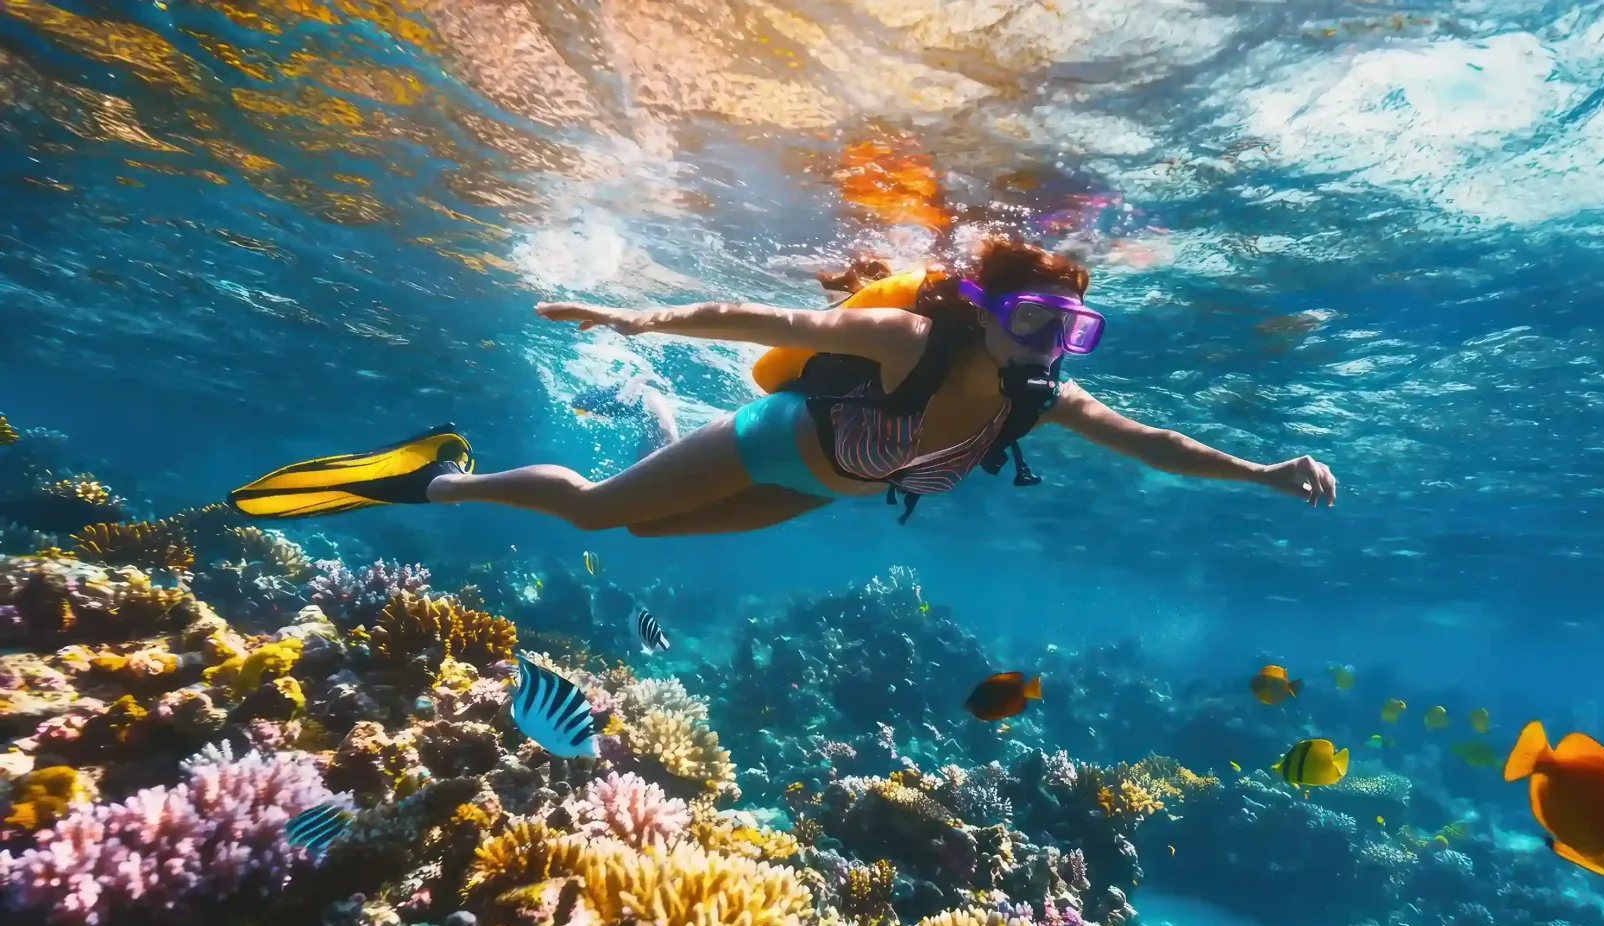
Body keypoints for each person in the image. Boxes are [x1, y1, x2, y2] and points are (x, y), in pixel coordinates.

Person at [228, 238, 1336, 534]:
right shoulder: (916, 341)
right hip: (775, 444)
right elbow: (786, 322)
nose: (1056, 343)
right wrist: (643, 314)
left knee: (656, 538)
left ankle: (651, 414)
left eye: (1075, 328)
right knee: (600, 511)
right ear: (990, 311)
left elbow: (1153, 442)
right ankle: (435, 479)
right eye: (1038, 320)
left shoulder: (1036, 399)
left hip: (820, 491)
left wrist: (1258, 470)